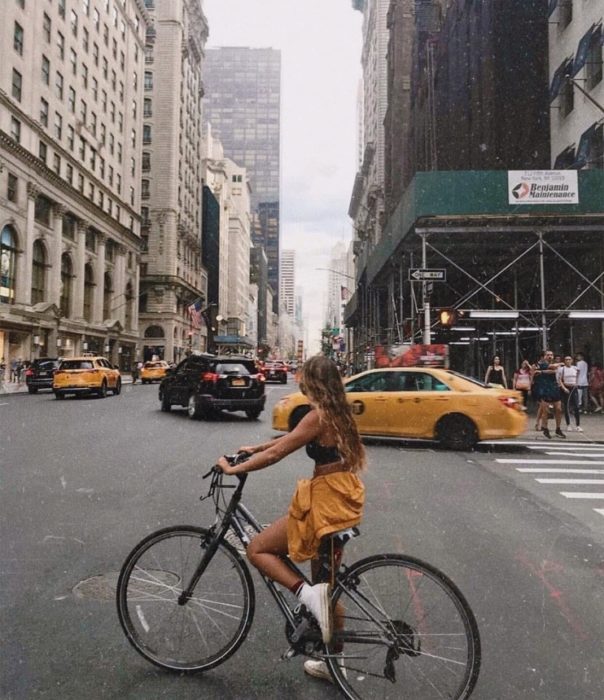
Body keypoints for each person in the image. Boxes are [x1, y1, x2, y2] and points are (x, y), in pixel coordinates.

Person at [216, 355, 366, 682]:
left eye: (304, 378)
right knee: (328, 589)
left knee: (258, 549)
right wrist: (254, 447)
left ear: (313, 382)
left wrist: (234, 468)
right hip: (341, 502)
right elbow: (286, 441)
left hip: (325, 504)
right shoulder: (340, 413)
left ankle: (304, 594)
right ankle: (333, 664)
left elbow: (278, 453)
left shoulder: (318, 416)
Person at [534, 350, 564, 439]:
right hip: (544, 389)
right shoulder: (542, 364)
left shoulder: (552, 365)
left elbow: (555, 372)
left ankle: (558, 429)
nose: (550, 356)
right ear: (544, 356)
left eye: (551, 355)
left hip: (554, 388)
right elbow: (552, 369)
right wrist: (560, 364)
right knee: (545, 410)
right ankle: (545, 428)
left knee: (558, 409)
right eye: (548, 355)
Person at [557, 355, 582, 432]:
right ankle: (568, 425)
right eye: (566, 359)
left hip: (573, 388)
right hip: (566, 388)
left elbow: (578, 375)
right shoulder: (562, 369)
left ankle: (578, 425)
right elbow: (559, 379)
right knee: (567, 406)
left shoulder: (575, 368)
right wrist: (564, 388)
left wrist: (576, 383)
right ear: (564, 361)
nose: (568, 361)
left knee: (576, 407)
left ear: (572, 360)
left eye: (569, 359)